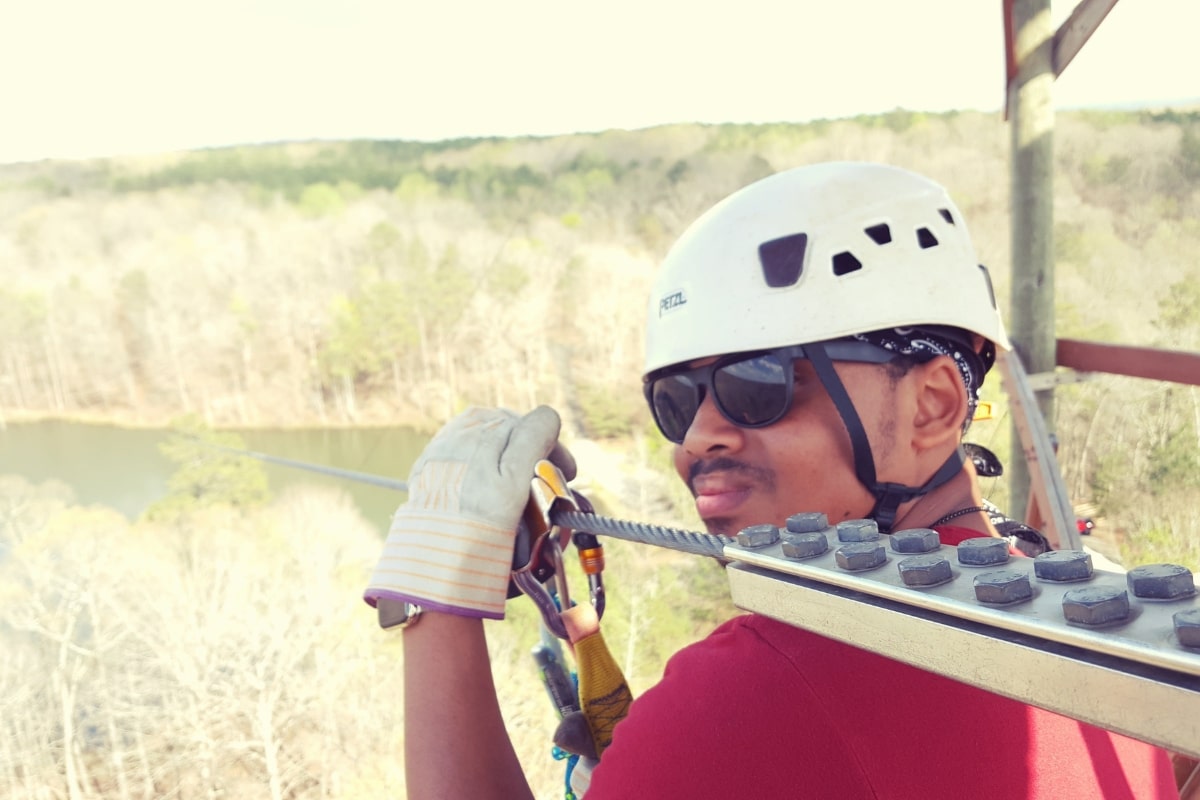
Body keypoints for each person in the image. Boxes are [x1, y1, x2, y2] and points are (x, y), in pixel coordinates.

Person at [365, 162, 1179, 798]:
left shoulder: (757, 692)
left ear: (933, 405)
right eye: (676, 400)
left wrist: (433, 603)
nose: (699, 438)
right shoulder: (1101, 625)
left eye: (760, 384)